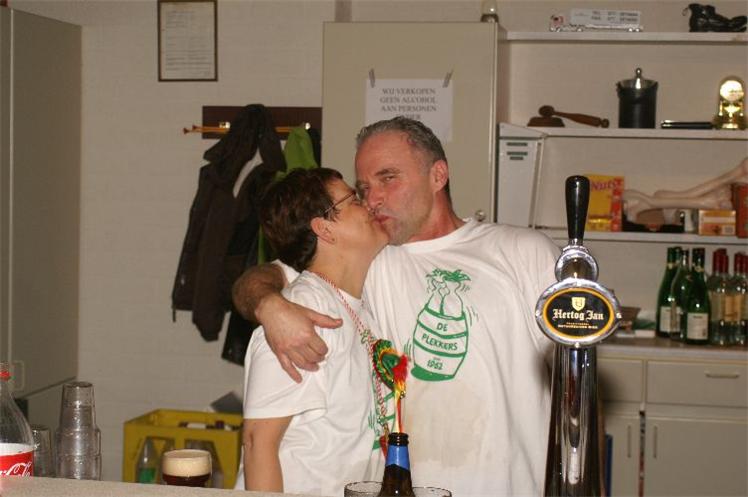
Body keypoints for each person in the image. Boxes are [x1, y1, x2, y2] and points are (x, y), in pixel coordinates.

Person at [233, 117, 560, 497]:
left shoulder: (525, 252)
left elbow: (579, 384)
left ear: (438, 175)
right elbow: (255, 281)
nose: (373, 200)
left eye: (388, 178)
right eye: (362, 189)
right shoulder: (362, 263)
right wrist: (270, 305)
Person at [235, 167, 392, 495]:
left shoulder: (359, 305)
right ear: (325, 228)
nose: (368, 204)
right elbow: (257, 443)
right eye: (354, 199)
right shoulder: (301, 312)